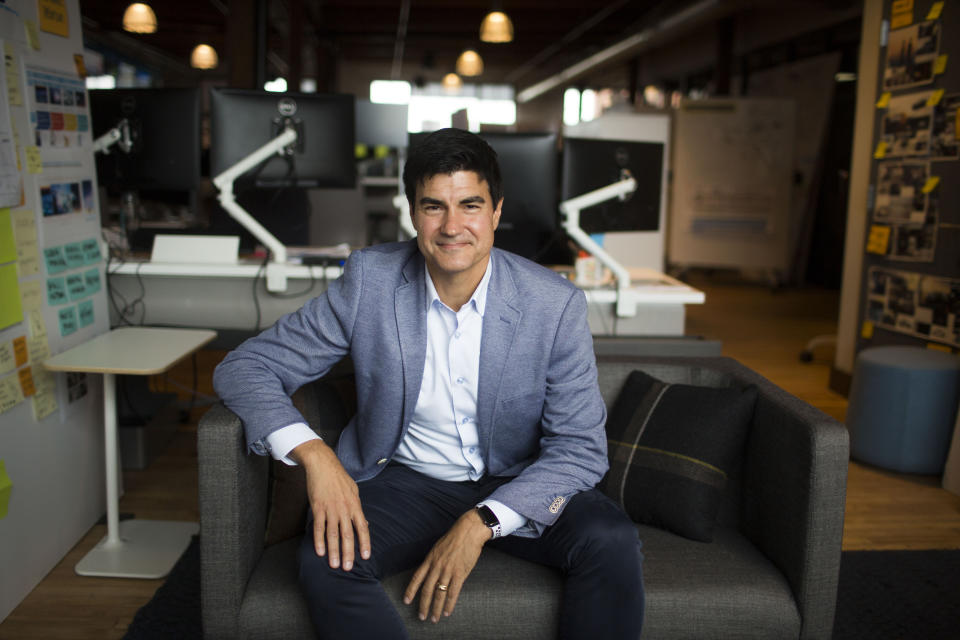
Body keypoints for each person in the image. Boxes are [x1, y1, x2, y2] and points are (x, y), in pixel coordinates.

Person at [213, 128, 644, 639]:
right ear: (412, 213)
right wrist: (315, 454)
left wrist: (480, 521)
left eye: (470, 205)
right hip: (403, 481)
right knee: (326, 560)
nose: (452, 225)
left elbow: (580, 449)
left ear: (496, 212)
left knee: (612, 540)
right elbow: (244, 367)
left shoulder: (553, 304)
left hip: (516, 479)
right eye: (434, 206)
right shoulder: (370, 281)